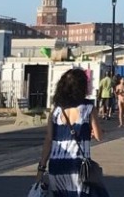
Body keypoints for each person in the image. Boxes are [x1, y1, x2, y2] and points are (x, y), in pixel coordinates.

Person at [37, 68, 108, 196]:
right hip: (77, 166)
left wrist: (41, 168)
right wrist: (95, 131)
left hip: (56, 166)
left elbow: (48, 140)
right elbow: (99, 136)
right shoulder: (88, 107)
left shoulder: (56, 110)